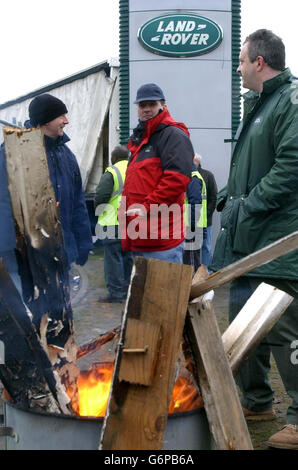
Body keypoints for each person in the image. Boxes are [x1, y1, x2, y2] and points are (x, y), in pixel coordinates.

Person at [211, 29, 298, 449]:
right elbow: (250, 170)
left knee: (283, 328)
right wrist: (228, 196)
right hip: (248, 241)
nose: (240, 69)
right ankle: (257, 400)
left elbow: (291, 166)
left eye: (242, 61)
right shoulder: (258, 106)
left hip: (279, 239)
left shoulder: (291, 102)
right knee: (244, 324)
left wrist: (247, 206)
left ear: (259, 62)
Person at [0, 93, 93, 293]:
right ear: (45, 120)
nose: (66, 121)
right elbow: (3, 202)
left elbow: (77, 203)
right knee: (29, 314)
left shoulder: (66, 156)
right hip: (25, 256)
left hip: (60, 251)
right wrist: (8, 248)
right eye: (61, 116)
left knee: (59, 314)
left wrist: (84, 241)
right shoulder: (12, 153)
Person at [119, 83, 194, 264]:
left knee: (163, 292)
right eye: (142, 105)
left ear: (163, 106)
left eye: (152, 104)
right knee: (144, 292)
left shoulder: (173, 135)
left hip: (161, 241)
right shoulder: (141, 140)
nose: (146, 109)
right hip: (140, 236)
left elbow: (176, 180)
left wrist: (146, 207)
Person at [95, 145, 133, 303]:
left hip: (113, 221)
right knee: (128, 256)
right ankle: (128, 289)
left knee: (113, 257)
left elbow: (101, 196)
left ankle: (116, 293)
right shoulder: (134, 169)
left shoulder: (112, 172)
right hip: (132, 221)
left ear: (114, 158)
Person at [193, 153, 218, 268]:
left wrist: (206, 213)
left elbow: (213, 197)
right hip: (190, 219)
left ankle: (206, 272)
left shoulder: (208, 176)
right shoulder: (186, 176)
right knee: (191, 247)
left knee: (206, 246)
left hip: (205, 220)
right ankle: (193, 273)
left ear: (197, 162)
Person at [183, 162, 206, 273]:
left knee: (191, 264)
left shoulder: (193, 178)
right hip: (193, 225)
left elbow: (195, 203)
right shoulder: (193, 177)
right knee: (190, 260)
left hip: (192, 226)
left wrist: (192, 225)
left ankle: (192, 288)